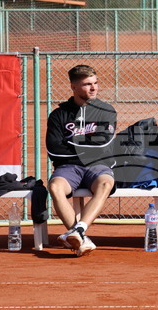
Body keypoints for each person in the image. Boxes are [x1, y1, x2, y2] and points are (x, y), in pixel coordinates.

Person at [45, 65, 117, 256]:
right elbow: (54, 149)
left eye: (95, 83)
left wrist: (70, 144)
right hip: (68, 167)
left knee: (106, 183)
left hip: (98, 165)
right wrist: (85, 148)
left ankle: (78, 230)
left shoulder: (106, 111)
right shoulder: (58, 115)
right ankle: (81, 237)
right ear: (74, 87)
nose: (93, 88)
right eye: (87, 84)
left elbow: (102, 143)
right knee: (55, 187)